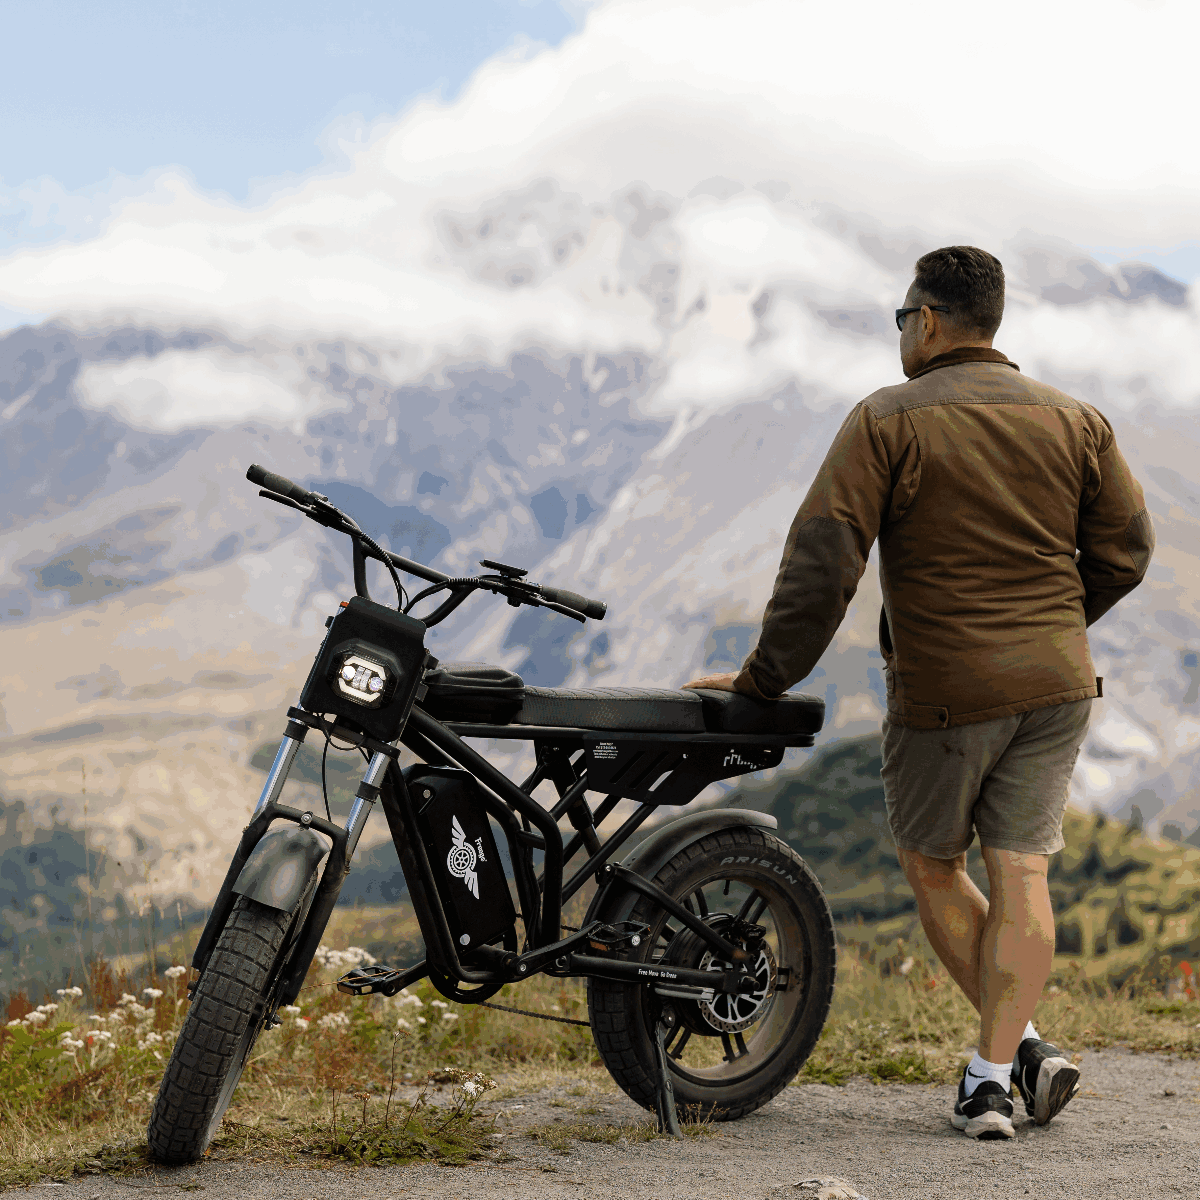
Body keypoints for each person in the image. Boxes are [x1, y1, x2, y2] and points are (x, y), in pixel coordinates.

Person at [683, 245, 1154, 1140]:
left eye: (901, 319)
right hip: (1058, 685)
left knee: (934, 865)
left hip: (946, 691)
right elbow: (1129, 550)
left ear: (927, 321)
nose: (901, 334)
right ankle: (1004, 1063)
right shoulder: (1076, 420)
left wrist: (762, 681)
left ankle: (998, 1077)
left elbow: (825, 562)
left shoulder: (886, 419)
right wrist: (1055, 619)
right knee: (1023, 871)